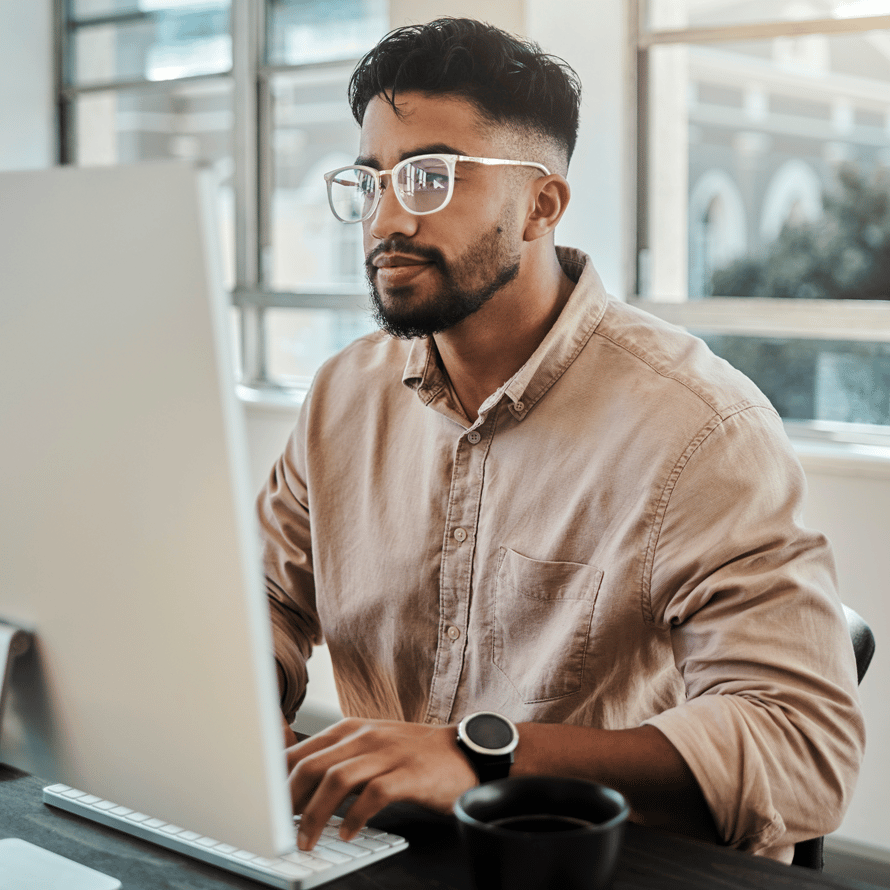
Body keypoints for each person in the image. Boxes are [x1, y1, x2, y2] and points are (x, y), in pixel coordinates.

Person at [258, 17, 864, 863]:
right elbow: (267, 603)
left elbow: (804, 748)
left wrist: (475, 758)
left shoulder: (702, 429)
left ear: (542, 204)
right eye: (372, 180)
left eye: (431, 177)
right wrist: (233, 716)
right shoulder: (340, 398)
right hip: (376, 854)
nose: (386, 218)